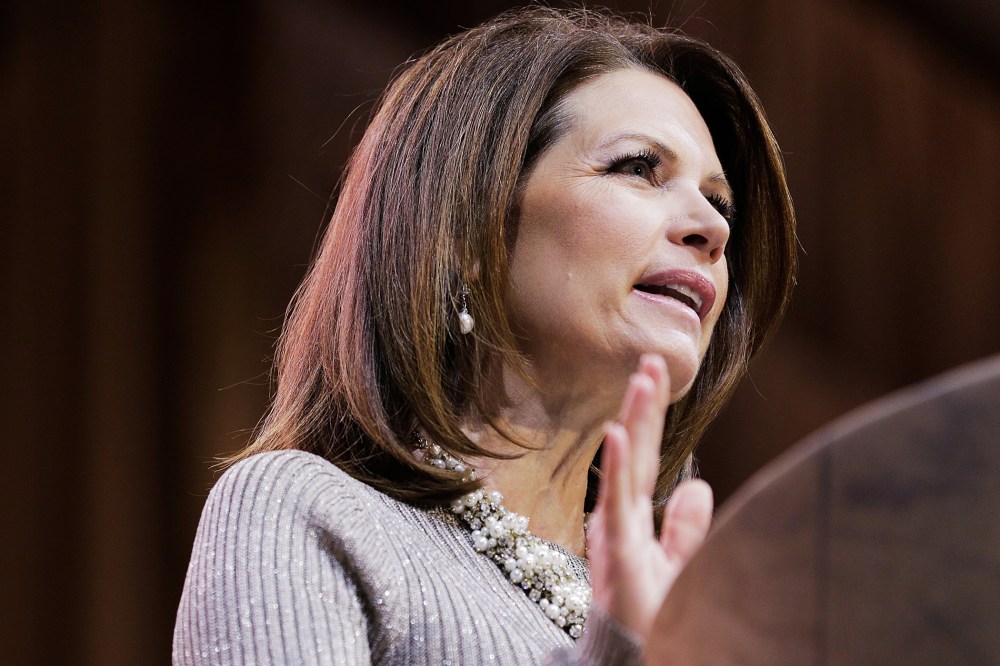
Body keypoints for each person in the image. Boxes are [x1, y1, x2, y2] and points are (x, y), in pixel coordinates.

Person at [173, 6, 797, 665]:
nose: (713, 228)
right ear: (475, 232)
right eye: (638, 167)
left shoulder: (694, 618)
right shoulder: (308, 512)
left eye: (719, 202)